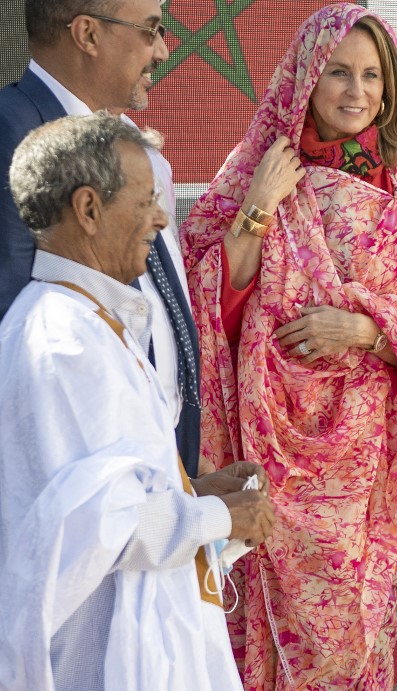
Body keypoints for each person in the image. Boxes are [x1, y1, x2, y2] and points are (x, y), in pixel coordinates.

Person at [179, 4, 397, 687]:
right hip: (266, 450)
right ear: (306, 77)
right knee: (262, 623)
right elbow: (212, 311)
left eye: (372, 75)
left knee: (351, 643)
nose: (356, 90)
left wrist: (367, 331)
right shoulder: (258, 174)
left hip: (367, 476)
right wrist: (259, 203)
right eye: (338, 71)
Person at [0, 112, 276, 691]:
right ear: (89, 209)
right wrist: (220, 515)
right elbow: (96, 530)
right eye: (147, 199)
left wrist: (193, 494)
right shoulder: (64, 341)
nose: (161, 217)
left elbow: (108, 498)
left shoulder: (90, 322)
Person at [0, 0, 203, 478]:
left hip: (154, 471)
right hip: (82, 485)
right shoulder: (11, 136)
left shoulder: (130, 142)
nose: (163, 50)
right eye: (150, 29)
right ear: (88, 35)